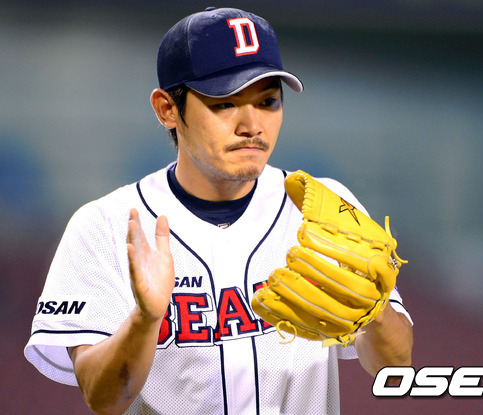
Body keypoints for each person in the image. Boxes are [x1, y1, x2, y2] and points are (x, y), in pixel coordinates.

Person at [25, 7, 413, 415]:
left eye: (268, 101)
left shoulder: (323, 207)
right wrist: (144, 320)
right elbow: (102, 397)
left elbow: (395, 365)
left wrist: (375, 312)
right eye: (225, 103)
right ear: (167, 109)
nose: (252, 125)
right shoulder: (107, 226)